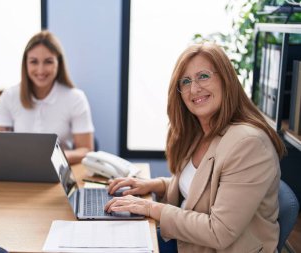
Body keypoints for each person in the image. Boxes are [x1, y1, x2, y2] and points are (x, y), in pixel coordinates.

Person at [105, 42, 286, 252]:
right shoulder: (202, 131)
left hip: (214, 247)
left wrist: (151, 207)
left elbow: (220, 231)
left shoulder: (248, 144)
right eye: (186, 81)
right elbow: (200, 187)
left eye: (204, 76)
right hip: (187, 242)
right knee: (109, 235)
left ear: (226, 79)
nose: (194, 88)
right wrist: (155, 185)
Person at [0, 30, 94, 164]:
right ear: (26, 64)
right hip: (20, 169)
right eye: (34, 62)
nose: (40, 70)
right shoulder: (9, 96)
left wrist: (56, 158)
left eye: (48, 62)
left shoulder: (75, 98)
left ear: (58, 63)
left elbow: (86, 150)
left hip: (59, 171)